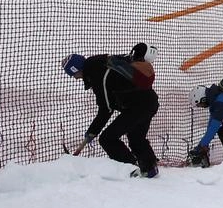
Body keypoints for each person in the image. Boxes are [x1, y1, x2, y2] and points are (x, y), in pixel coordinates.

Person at [63, 43, 159, 178]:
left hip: (138, 107)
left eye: (73, 74)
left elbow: (106, 109)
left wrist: (92, 132)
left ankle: (131, 169)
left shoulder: (98, 75)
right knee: (136, 138)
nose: (75, 78)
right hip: (148, 102)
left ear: (76, 70)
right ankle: (150, 169)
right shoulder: (104, 64)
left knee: (107, 139)